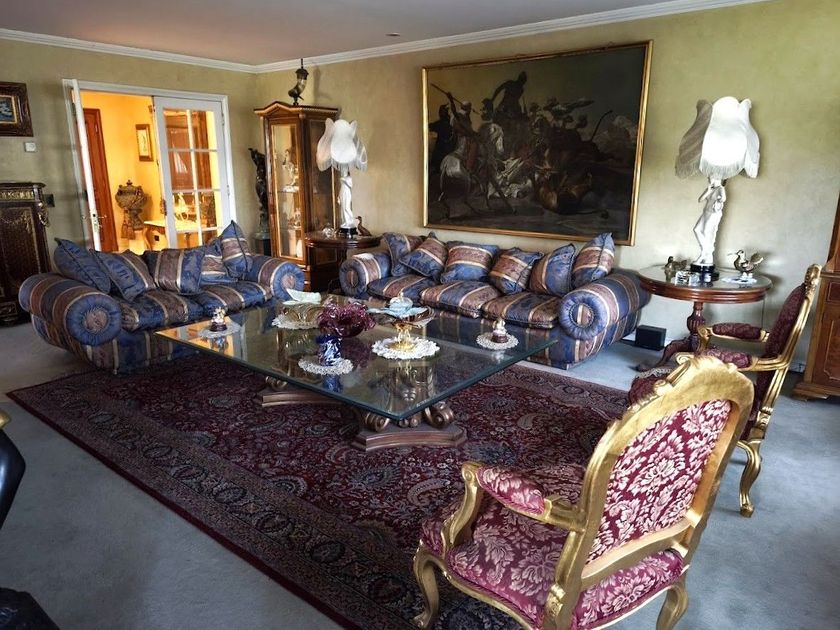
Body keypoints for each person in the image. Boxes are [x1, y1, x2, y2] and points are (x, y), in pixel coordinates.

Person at [692, 178, 726, 266]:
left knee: (707, 232)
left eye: (710, 177)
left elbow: (723, 199)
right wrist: (708, 191)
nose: (708, 178)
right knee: (697, 229)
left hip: (713, 214)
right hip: (706, 212)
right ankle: (706, 251)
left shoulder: (721, 188)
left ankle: (704, 254)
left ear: (717, 178)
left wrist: (719, 199)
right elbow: (700, 199)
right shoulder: (711, 188)